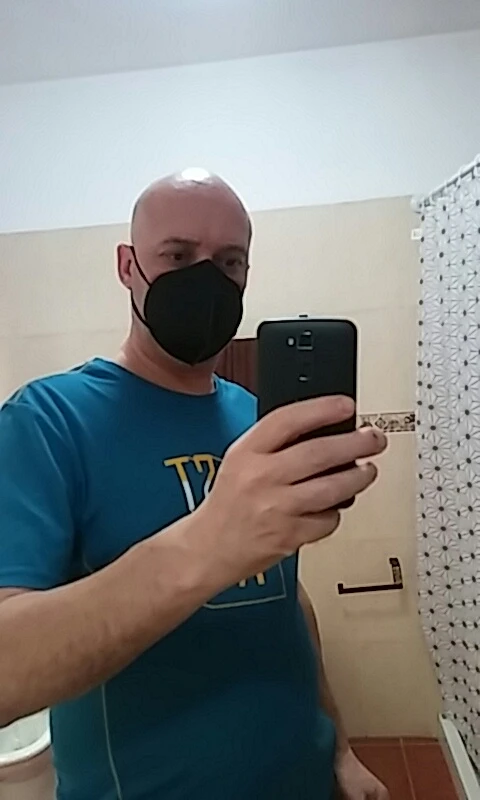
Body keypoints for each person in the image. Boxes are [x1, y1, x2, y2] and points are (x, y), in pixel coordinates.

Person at [0, 169, 389, 800]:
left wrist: (340, 748)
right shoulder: (46, 421)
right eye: (178, 256)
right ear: (127, 266)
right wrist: (210, 544)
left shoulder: (255, 416)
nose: (206, 280)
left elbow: (285, 599)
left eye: (229, 262)